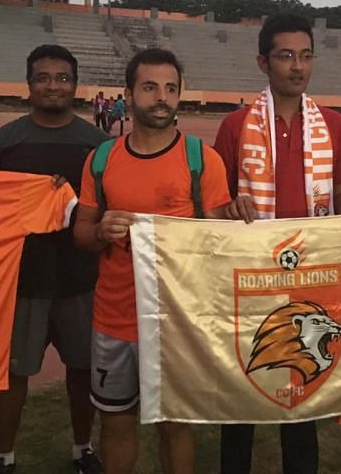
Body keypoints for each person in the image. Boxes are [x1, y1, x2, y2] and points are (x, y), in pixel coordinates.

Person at [73, 48, 231, 474]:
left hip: (177, 323)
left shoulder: (202, 160)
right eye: (149, 87)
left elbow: (220, 242)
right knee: (117, 422)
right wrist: (101, 230)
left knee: (175, 427)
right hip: (116, 320)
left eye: (170, 88)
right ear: (128, 94)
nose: (161, 97)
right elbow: (82, 232)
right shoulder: (102, 159)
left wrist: (235, 221)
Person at [213, 13, 341, 474]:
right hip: (251, 277)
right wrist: (230, 209)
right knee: (243, 391)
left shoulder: (334, 126)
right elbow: (219, 207)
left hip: (309, 280)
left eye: (306, 55)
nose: (298, 66)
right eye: (286, 55)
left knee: (301, 390)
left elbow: (340, 203)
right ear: (263, 62)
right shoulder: (235, 127)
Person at [0, 45, 108, 474]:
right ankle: (4, 454)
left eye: (62, 78)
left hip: (80, 280)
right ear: (29, 85)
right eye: (43, 78)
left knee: (81, 370)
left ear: (75, 85)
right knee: (12, 375)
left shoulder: (98, 145)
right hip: (21, 282)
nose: (53, 86)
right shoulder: (3, 142)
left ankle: (82, 447)